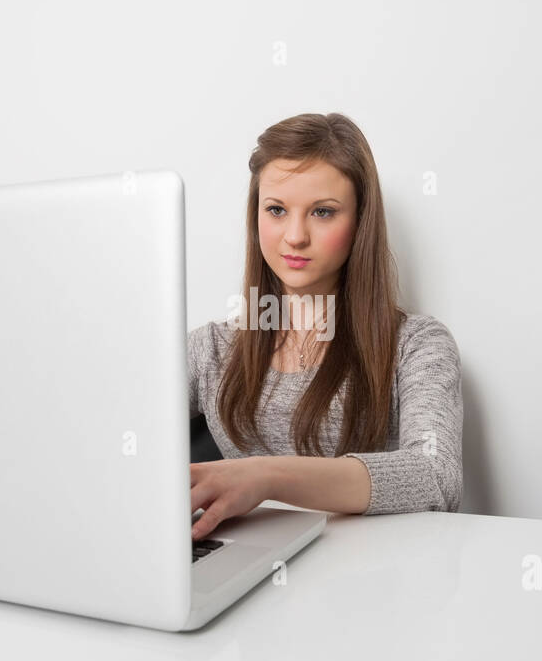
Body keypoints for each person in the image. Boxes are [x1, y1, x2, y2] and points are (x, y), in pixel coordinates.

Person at [188, 112, 463, 539]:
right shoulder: (211, 349)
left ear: (360, 221)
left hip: (378, 570)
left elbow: (436, 475)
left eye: (322, 212)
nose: (295, 236)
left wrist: (268, 477)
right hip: (249, 566)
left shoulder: (417, 345)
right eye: (276, 210)